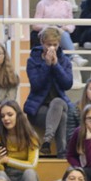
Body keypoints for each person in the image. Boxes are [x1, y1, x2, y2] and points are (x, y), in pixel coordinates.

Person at [25, 26, 74, 158]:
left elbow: (67, 84)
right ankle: (62, 155)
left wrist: (56, 66)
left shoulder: (65, 61)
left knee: (57, 102)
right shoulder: (33, 61)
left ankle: (47, 140)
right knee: (62, 117)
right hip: (39, 108)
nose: (52, 48)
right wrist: (46, 65)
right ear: (42, 43)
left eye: (55, 45)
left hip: (60, 104)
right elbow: (36, 85)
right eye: (48, 45)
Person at [30, 0, 88, 66]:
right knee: (58, 32)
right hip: (46, 31)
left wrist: (64, 28)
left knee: (63, 33)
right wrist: (49, 26)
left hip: (62, 31)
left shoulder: (67, 4)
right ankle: (74, 56)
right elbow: (35, 25)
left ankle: (71, 58)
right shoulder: (42, 3)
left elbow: (71, 25)